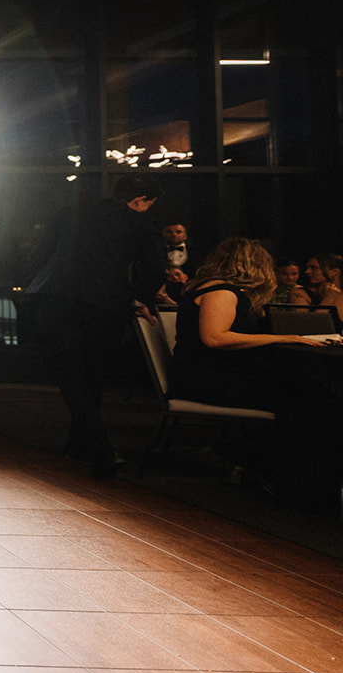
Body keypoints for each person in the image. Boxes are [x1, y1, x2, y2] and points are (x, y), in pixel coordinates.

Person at [169, 238, 343, 510]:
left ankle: (296, 480)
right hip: (209, 381)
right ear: (254, 266)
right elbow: (214, 338)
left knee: (316, 397)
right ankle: (298, 485)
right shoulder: (222, 291)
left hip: (210, 376)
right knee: (315, 404)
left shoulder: (219, 289)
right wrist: (280, 338)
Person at [24, 175, 168, 478]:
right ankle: (102, 450)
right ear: (140, 200)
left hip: (55, 298)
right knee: (92, 377)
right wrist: (139, 297)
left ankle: (80, 445)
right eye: (147, 206)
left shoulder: (70, 213)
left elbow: (39, 253)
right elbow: (154, 268)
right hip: (104, 304)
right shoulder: (141, 223)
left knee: (71, 375)